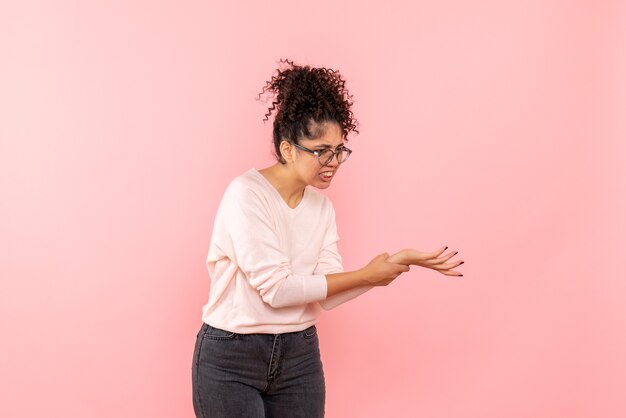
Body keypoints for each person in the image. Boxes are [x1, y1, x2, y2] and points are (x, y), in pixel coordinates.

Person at [191, 58, 464, 418]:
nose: (332, 161)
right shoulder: (247, 194)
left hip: (299, 355)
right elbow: (276, 290)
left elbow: (328, 292)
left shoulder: (321, 208)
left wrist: (392, 268)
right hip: (231, 356)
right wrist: (368, 274)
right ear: (288, 149)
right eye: (321, 151)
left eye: (339, 150)